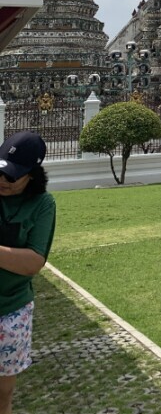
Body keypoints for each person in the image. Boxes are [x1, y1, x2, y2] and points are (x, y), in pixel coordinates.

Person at [0, 132, 55, 414]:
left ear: (31, 176)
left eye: (11, 177)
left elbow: (33, 261)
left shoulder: (42, 205)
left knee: (3, 395)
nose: (2, 182)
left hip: (11, 310)